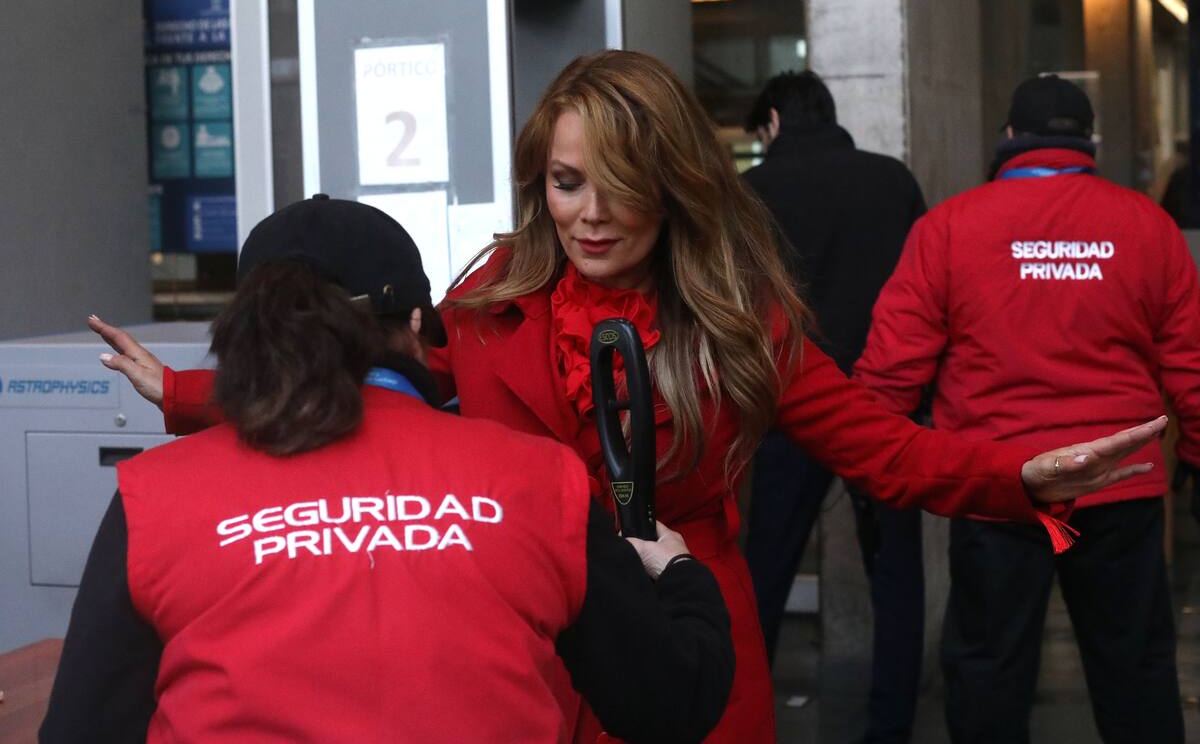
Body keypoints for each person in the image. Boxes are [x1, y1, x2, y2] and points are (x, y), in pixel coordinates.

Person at [91, 51, 1169, 743]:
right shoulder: (489, 293)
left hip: (694, 630)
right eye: (568, 183)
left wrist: (1015, 474)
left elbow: (883, 448)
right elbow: (371, 397)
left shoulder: (738, 311)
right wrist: (190, 395)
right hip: (535, 638)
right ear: (540, 182)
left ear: (677, 185)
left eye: (624, 184)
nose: (592, 214)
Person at [40, 197, 735, 744]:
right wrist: (678, 576)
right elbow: (673, 701)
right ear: (411, 320)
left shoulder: (154, 499)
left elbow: (82, 730)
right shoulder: (534, 481)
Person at [855, 74, 1200, 743]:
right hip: (1120, 486)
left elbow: (892, 367)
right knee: (1135, 670)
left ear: (1009, 139)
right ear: (1089, 142)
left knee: (989, 670)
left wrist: (871, 461)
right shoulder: (1146, 225)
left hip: (1000, 486)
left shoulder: (949, 228)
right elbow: (1189, 358)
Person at [741, 70, 927, 743]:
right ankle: (891, 726)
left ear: (772, 123)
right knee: (896, 574)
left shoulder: (750, 193)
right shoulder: (891, 181)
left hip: (786, 407)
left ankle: (749, 718)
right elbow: (923, 295)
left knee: (763, 569)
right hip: (882, 405)